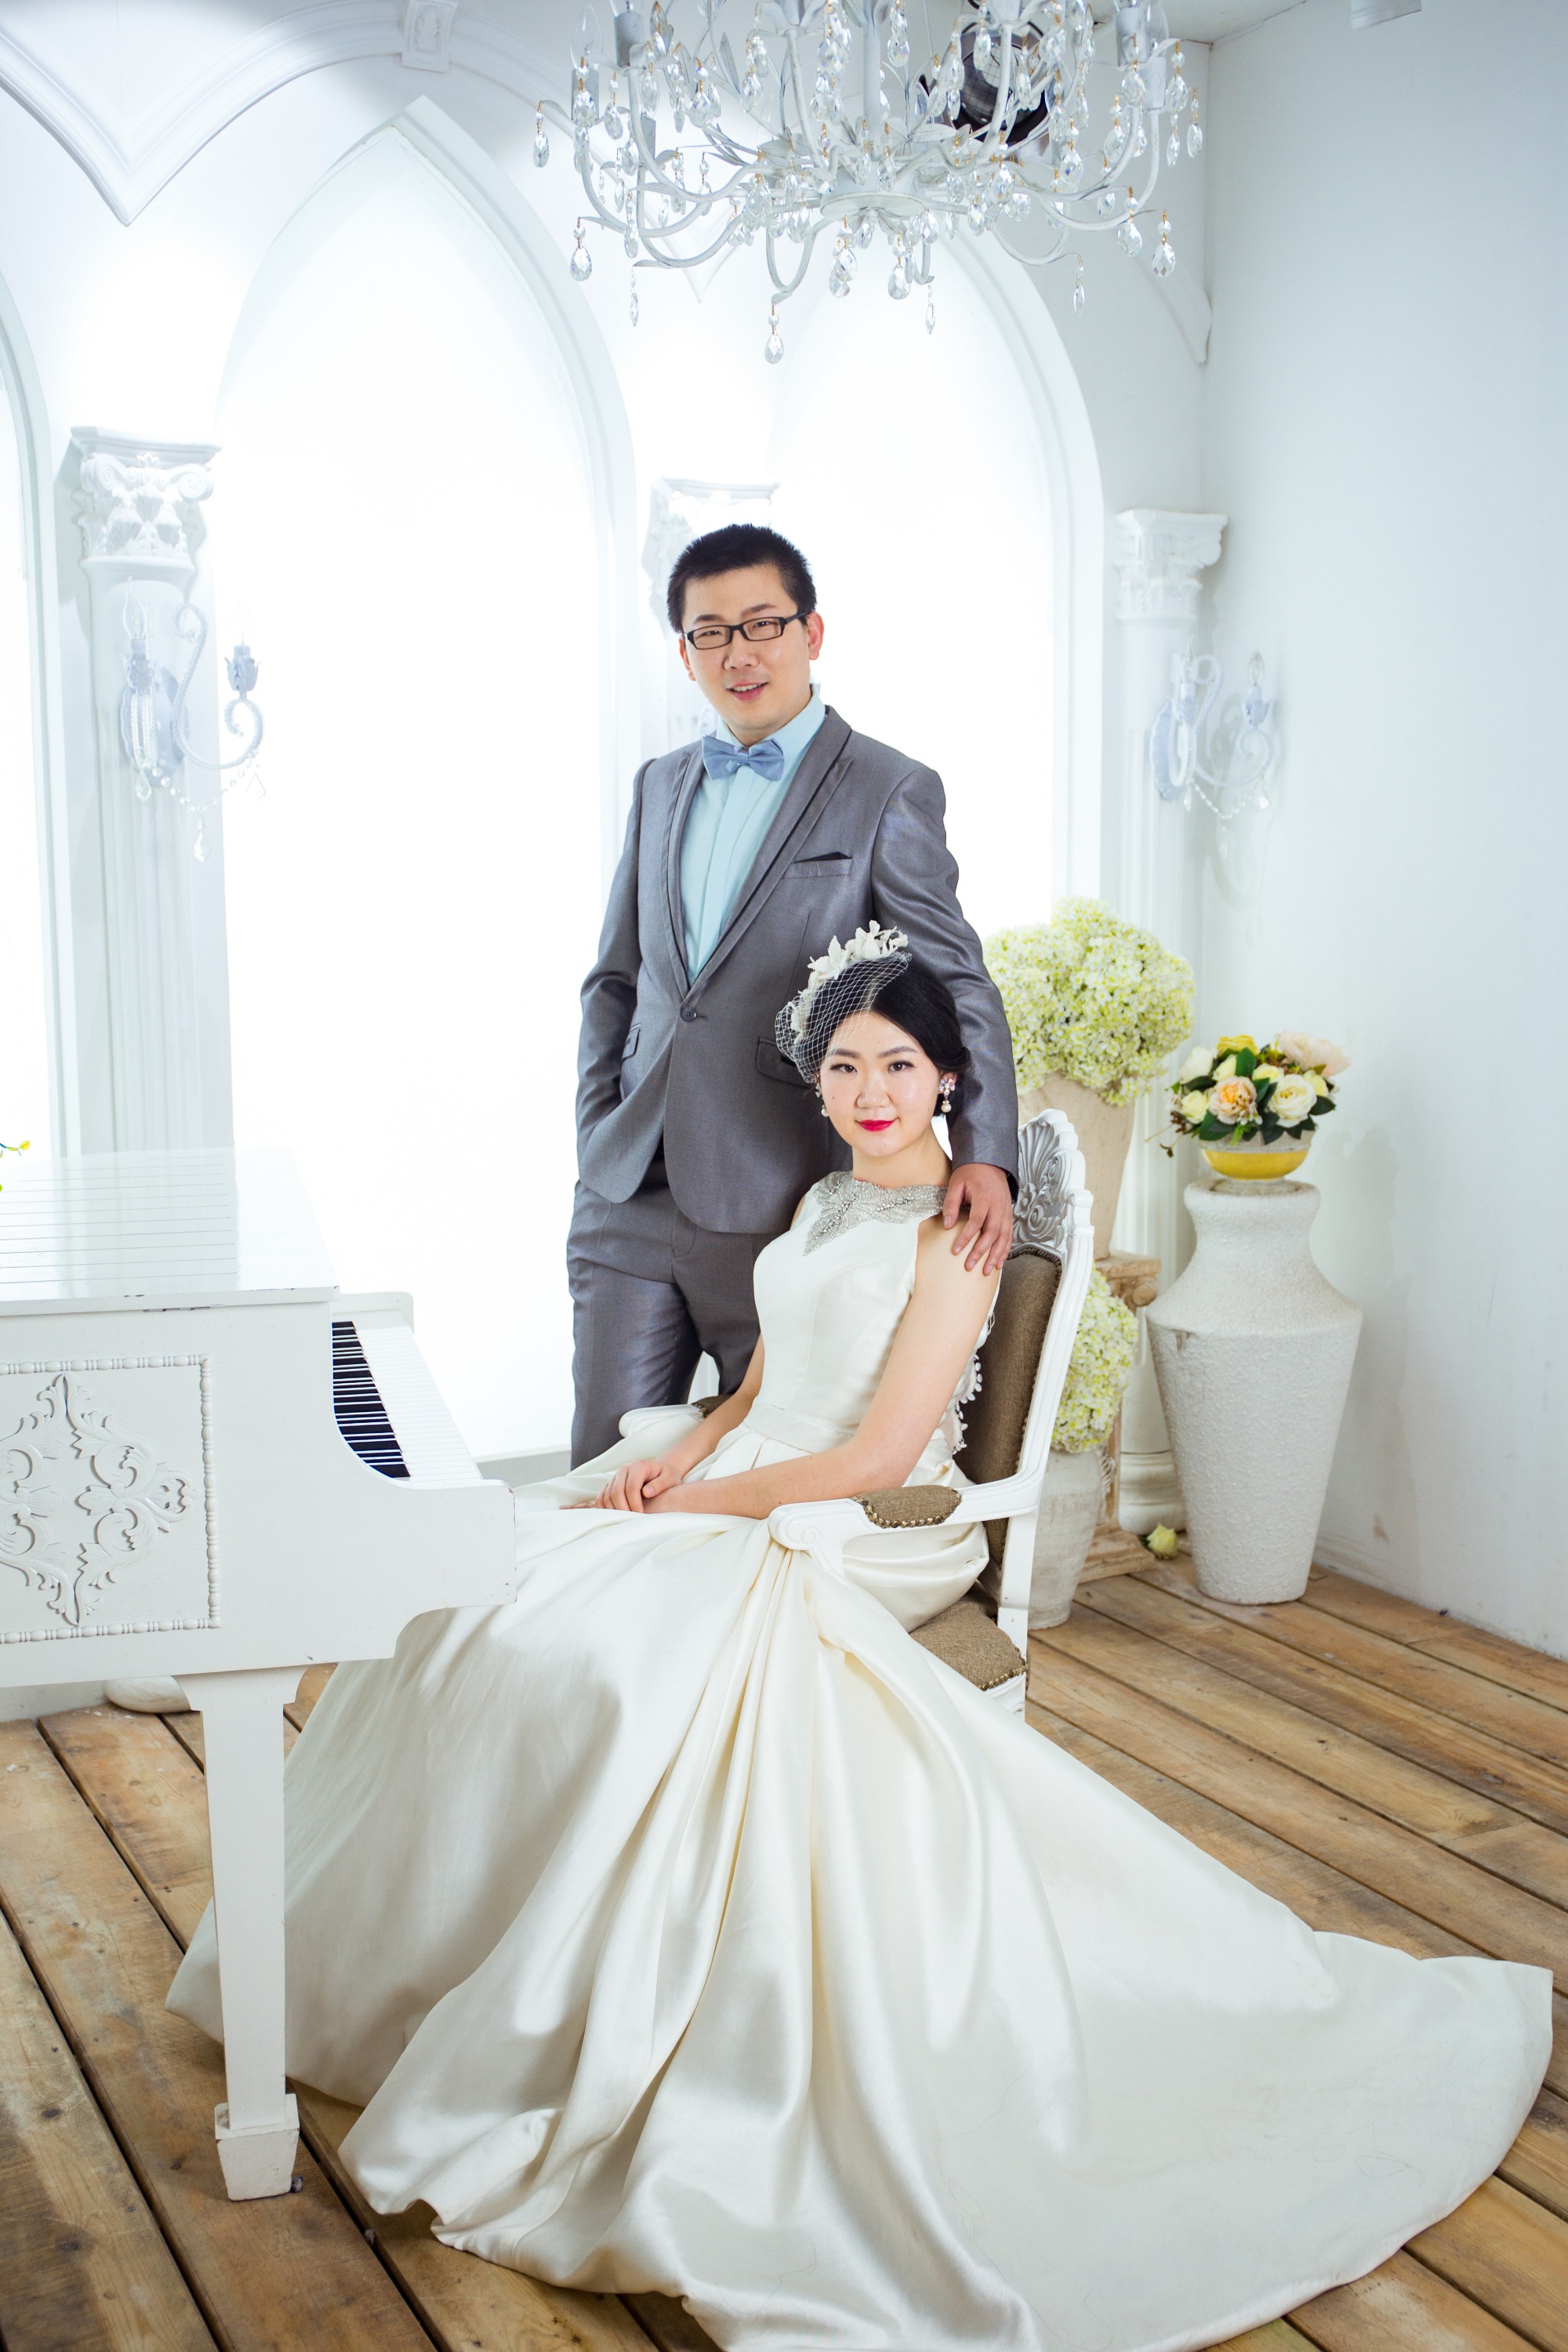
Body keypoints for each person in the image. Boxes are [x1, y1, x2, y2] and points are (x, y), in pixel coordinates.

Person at [169, 932, 1550, 2352]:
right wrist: (677, 1454)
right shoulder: (828, 1200)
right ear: (818, 1082)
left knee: (622, 1662)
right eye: (845, 1065)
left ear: (948, 1077)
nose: (870, 1090)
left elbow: (883, 1450)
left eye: (898, 1063)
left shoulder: (960, 1230)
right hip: (750, 1471)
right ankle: (418, 1985)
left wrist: (708, 1501)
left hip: (869, 1518)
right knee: (462, 1608)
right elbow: (759, 1384)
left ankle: (584, 2022)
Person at [568, 519, 1018, 1465]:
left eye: (762, 624)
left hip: (779, 1199)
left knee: (758, 1465)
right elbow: (616, 978)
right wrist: (596, 1121)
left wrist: (984, 1150)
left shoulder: (887, 788)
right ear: (684, 653)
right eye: (710, 632)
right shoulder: (658, 786)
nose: (738, 653)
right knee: (603, 1476)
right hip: (625, 1193)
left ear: (811, 633)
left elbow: (956, 980)